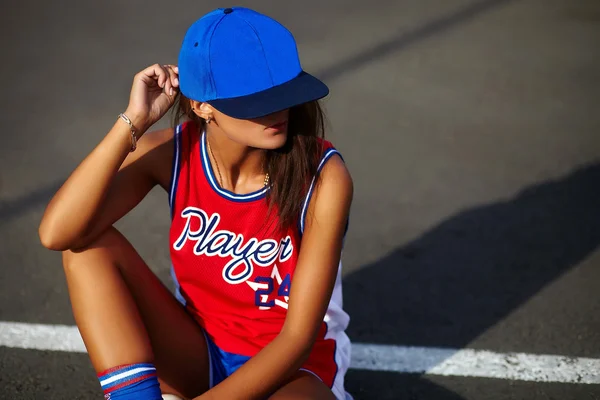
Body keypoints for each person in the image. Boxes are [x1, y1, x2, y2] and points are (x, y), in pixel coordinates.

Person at [39, 6, 353, 400]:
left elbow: (297, 339)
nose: (279, 110)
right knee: (86, 248)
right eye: (256, 98)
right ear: (202, 104)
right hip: (198, 353)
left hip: (289, 372)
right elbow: (57, 233)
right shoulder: (173, 152)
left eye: (285, 91)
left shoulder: (323, 175)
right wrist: (133, 123)